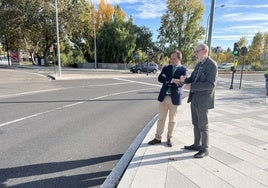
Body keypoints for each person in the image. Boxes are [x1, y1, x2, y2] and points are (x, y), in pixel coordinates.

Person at [183, 44, 218, 158]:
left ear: (205, 51)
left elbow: (210, 85)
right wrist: (184, 80)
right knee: (195, 123)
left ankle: (205, 149)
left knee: (203, 125)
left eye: (197, 51)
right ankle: (197, 144)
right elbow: (192, 79)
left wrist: (192, 86)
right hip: (194, 98)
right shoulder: (198, 65)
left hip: (203, 100)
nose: (195, 54)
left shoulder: (212, 65)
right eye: (195, 52)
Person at [148, 50, 187, 147]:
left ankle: (170, 138)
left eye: (174, 58)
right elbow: (160, 78)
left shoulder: (183, 70)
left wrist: (167, 80)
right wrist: (172, 80)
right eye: (171, 58)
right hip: (164, 97)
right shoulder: (166, 67)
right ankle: (158, 138)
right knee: (161, 118)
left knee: (172, 120)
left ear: (179, 59)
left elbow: (181, 84)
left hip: (174, 98)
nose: (171, 60)